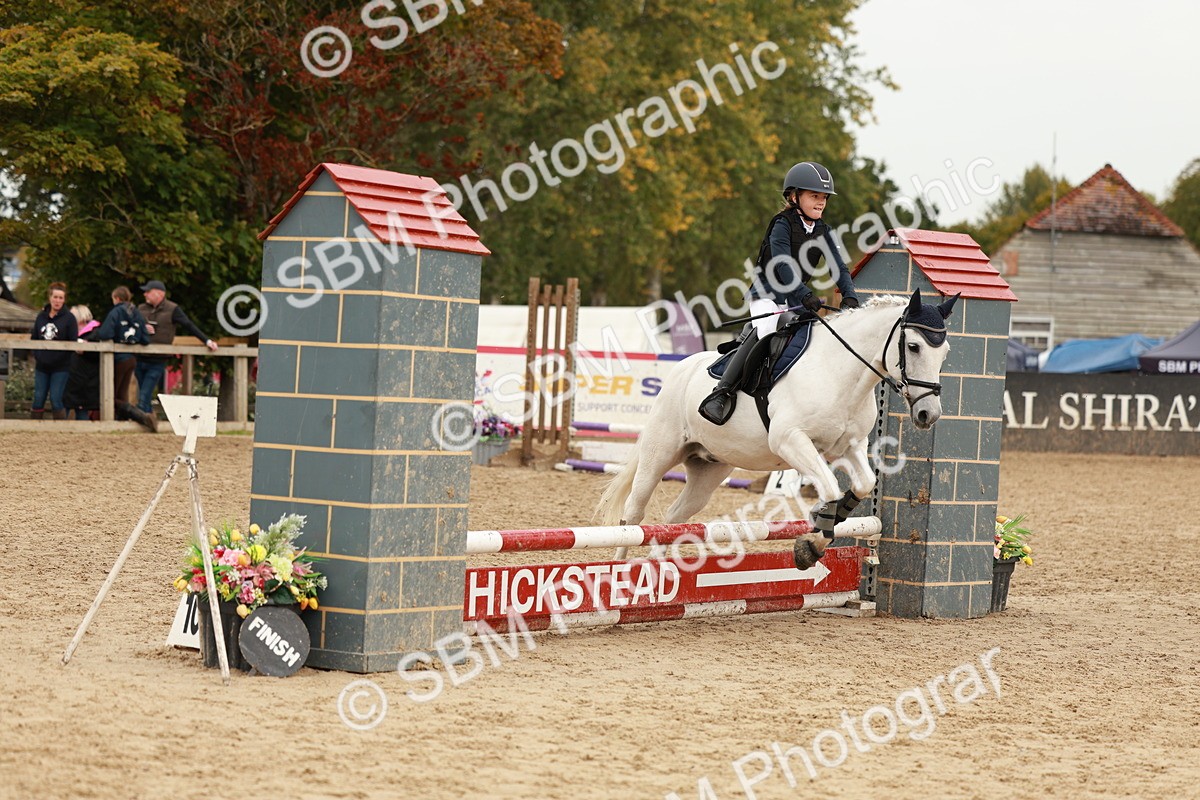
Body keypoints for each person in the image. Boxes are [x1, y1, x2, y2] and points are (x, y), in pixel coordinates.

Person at [698, 162, 862, 425]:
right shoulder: (782, 225)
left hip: (796, 299)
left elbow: (839, 267)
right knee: (767, 335)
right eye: (814, 196)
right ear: (795, 197)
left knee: (813, 341)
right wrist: (805, 294)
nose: (821, 202)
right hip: (767, 295)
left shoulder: (824, 231)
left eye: (824, 197)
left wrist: (850, 296)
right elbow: (783, 265)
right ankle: (721, 393)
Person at [62, 304, 157, 431]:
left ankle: (140, 417)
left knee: (110, 397)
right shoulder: (132, 316)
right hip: (128, 359)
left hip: (100, 371)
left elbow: (103, 340)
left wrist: (86, 348)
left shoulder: (95, 331)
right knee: (120, 396)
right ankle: (129, 422)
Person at [135, 280, 219, 414]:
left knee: (144, 395)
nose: (145, 294)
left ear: (159, 294)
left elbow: (189, 325)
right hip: (140, 357)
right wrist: (141, 328)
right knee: (145, 394)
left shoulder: (172, 309)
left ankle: (142, 418)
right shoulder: (141, 308)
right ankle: (148, 419)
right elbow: (131, 326)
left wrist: (206, 341)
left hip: (158, 359)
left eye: (148, 291)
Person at [29, 282, 79, 421]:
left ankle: (59, 429)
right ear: (50, 298)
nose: (57, 301)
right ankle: (34, 428)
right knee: (38, 398)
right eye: (55, 297)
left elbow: (73, 341)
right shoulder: (41, 317)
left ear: (64, 300)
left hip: (61, 367)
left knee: (56, 399)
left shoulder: (69, 318)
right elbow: (34, 338)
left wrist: (63, 358)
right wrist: (38, 355)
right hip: (42, 365)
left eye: (60, 298)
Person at [95, 286, 149, 405]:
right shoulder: (137, 313)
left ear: (117, 298)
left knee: (111, 393)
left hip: (118, 359)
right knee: (123, 393)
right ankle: (125, 416)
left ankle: (114, 415)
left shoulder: (116, 312)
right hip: (132, 359)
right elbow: (145, 339)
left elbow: (105, 333)